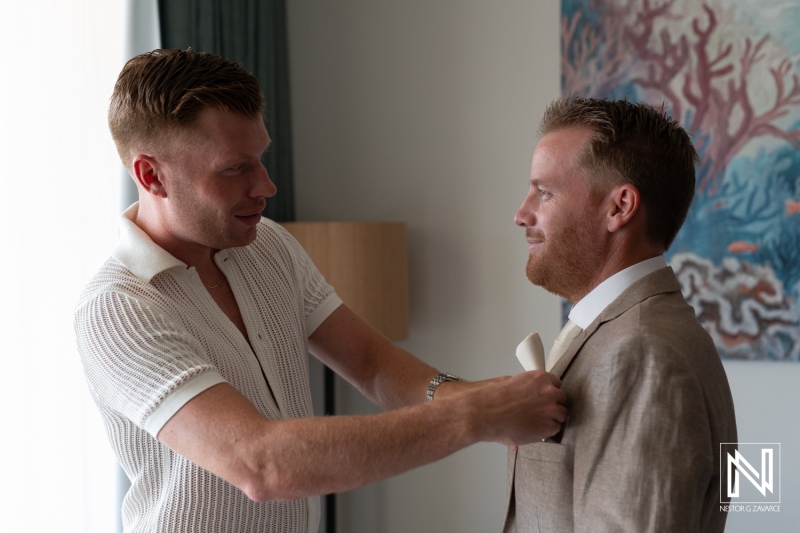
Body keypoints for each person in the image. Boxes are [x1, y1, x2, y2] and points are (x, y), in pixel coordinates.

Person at [74, 48, 567, 533]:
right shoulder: (117, 310)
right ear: (150, 175)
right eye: (235, 169)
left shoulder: (268, 246)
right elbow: (260, 464)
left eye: (260, 159)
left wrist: (495, 397)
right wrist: (477, 415)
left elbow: (373, 364)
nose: (266, 186)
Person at [504, 96, 737, 532]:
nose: (521, 214)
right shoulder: (622, 332)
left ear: (619, 207)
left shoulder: (645, 356)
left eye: (544, 192)